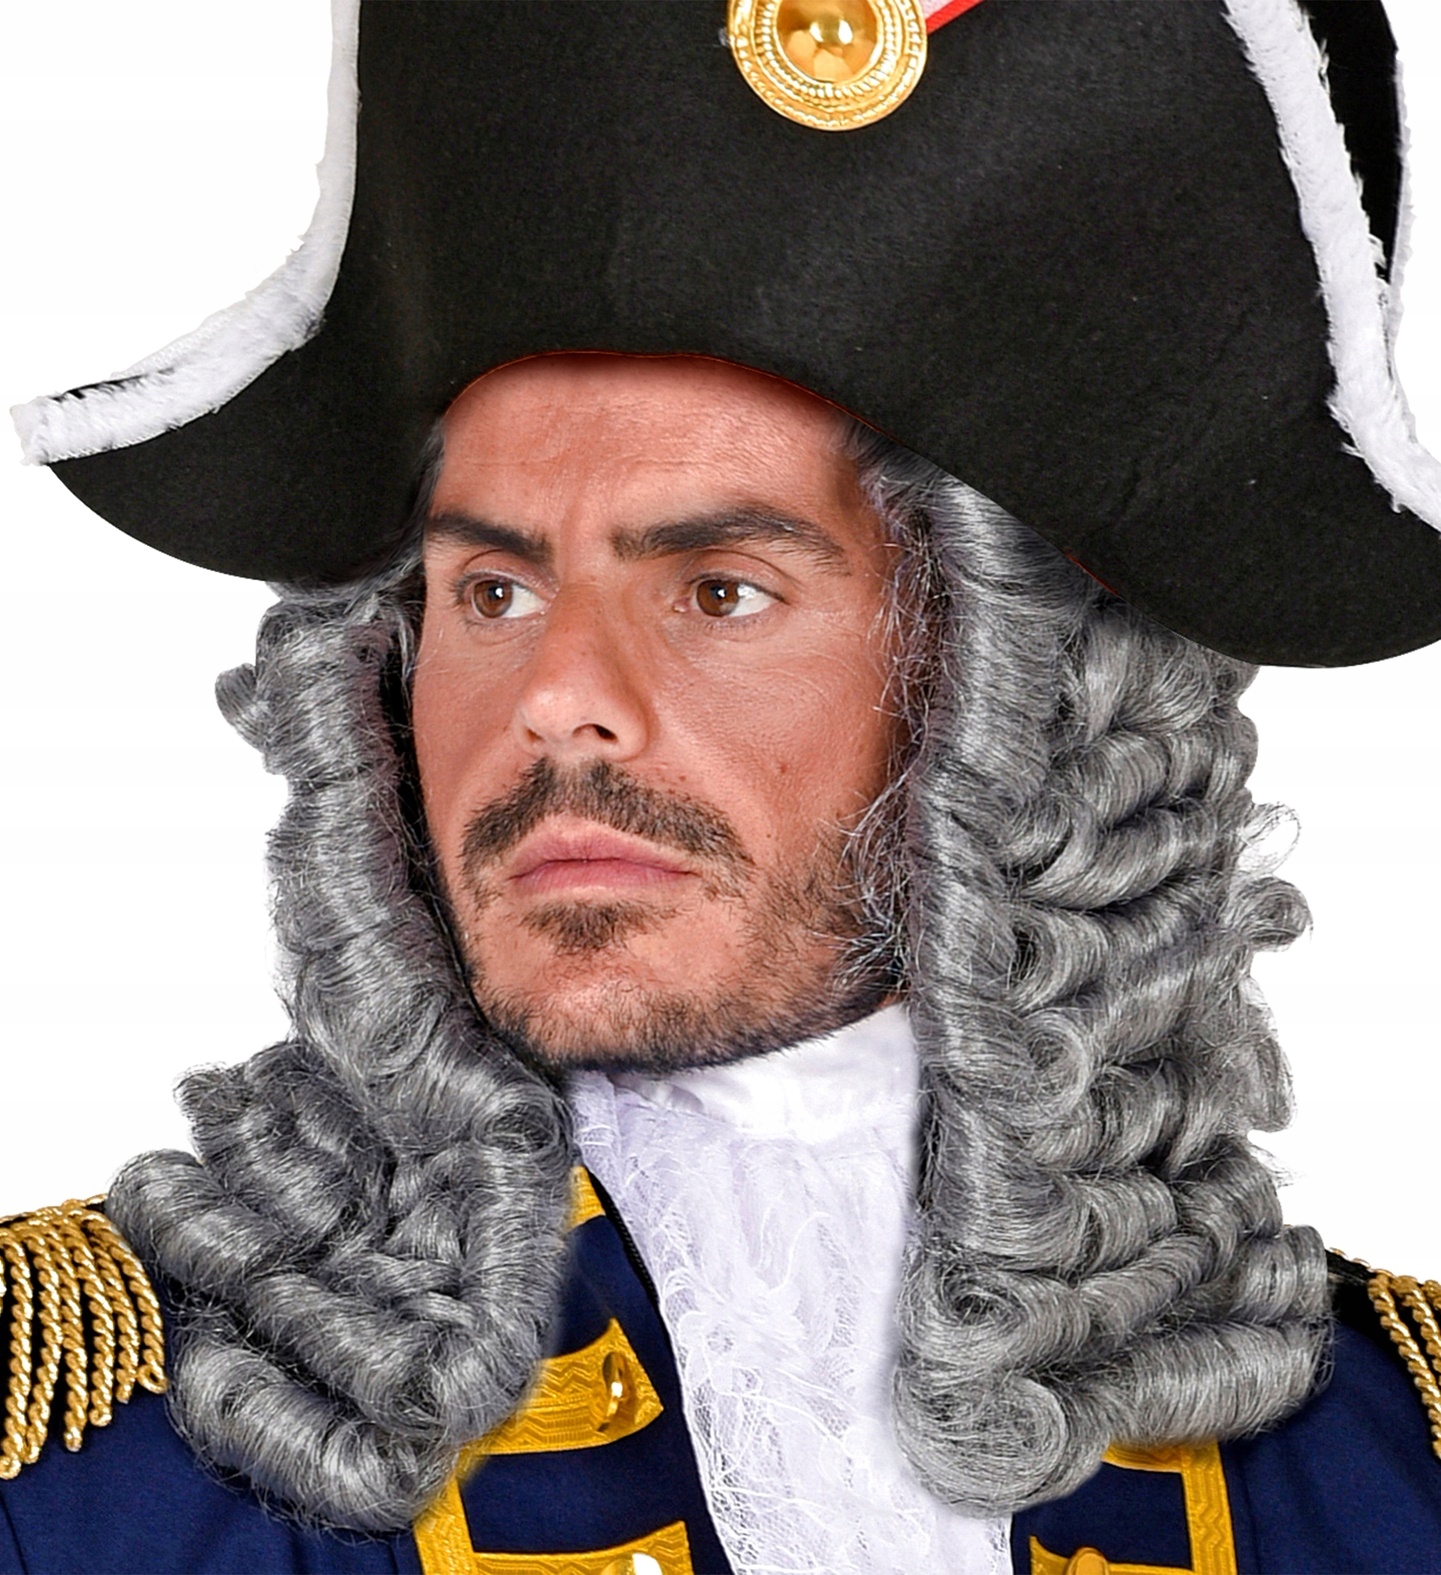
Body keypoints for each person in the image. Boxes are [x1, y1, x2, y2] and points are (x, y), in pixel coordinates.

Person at [4, 3, 1441, 1571]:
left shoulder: (1394, 1463)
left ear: (1030, 696)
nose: (556, 697)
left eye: (719, 592)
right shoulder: (70, 1456)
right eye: (491, 593)